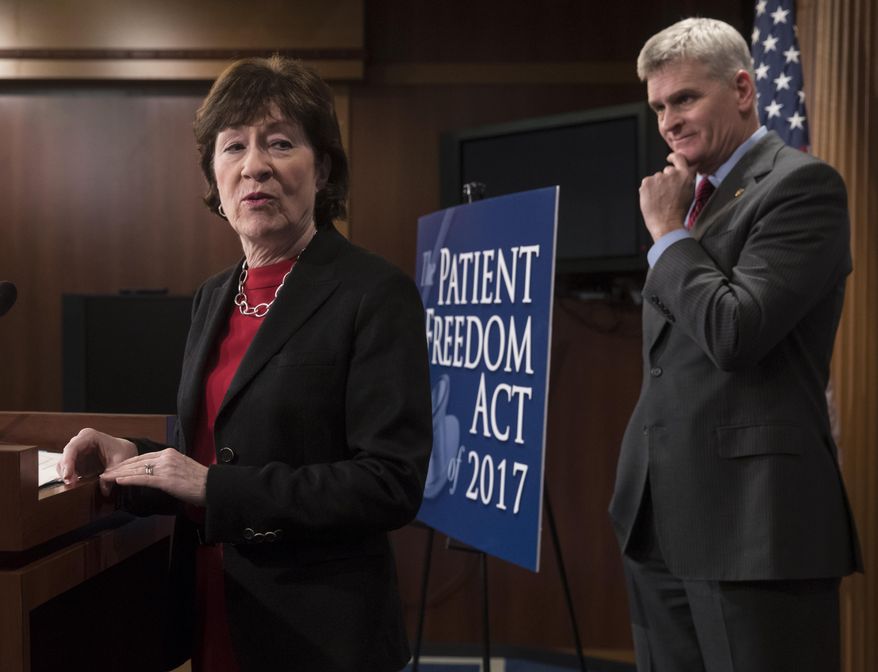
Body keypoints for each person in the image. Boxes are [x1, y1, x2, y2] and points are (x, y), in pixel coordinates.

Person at [59, 56, 432, 672]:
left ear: (323, 168)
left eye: (279, 143)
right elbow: (216, 449)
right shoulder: (214, 295)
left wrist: (212, 487)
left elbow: (390, 483)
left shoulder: (372, 292)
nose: (253, 165)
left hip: (319, 638)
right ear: (215, 175)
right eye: (233, 146)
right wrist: (133, 458)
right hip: (214, 615)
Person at [609, 18, 861, 672]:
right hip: (657, 520)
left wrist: (666, 237)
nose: (668, 120)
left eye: (685, 99)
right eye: (659, 106)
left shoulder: (802, 188)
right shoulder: (693, 199)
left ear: (745, 88)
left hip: (754, 527)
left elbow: (735, 329)